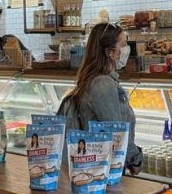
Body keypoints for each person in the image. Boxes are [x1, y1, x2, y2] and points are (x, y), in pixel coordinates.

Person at [57, 23, 142, 174]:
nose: (126, 49)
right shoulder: (102, 84)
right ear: (109, 52)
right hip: (104, 168)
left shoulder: (99, 80)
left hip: (101, 166)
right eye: (122, 44)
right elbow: (115, 128)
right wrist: (134, 159)